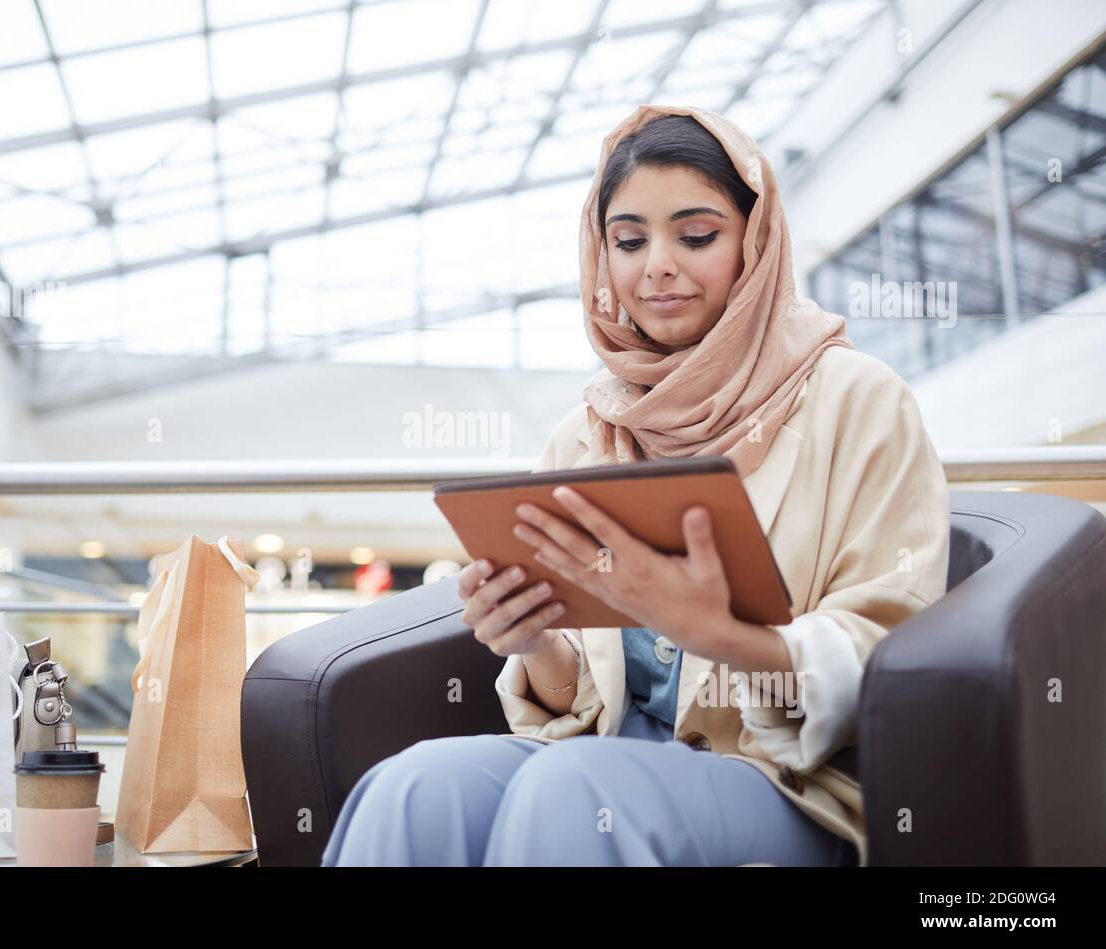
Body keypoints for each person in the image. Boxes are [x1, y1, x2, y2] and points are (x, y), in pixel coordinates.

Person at [321, 105, 951, 867]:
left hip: (787, 783)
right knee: (414, 789)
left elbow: (895, 656)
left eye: (696, 236)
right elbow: (583, 702)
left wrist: (721, 636)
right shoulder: (588, 432)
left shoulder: (858, 400)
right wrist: (535, 643)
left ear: (756, 242)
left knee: (576, 793)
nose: (656, 265)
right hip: (604, 758)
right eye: (628, 241)